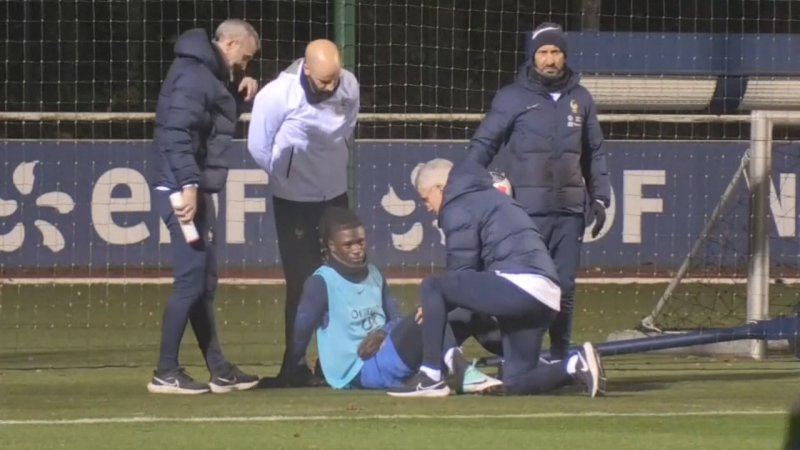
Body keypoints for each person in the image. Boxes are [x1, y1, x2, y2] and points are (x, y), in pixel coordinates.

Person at [387, 158, 606, 398]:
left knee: (432, 285)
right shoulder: (489, 197)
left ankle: (430, 377)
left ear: (440, 188)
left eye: (425, 198)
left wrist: (435, 303)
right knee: (515, 382)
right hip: (545, 296)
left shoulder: (458, 203)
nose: (427, 207)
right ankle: (575, 365)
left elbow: (462, 270)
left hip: (521, 284)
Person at [463, 22, 611, 362]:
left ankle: (561, 357)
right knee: (523, 285)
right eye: (543, 52)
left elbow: (595, 153)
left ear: (565, 56)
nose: (549, 59)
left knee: (565, 288)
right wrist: (467, 183)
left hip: (570, 211)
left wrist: (601, 197)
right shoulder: (512, 97)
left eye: (555, 52)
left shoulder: (581, 99)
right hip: (524, 212)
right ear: (532, 57)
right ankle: (517, 354)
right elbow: (484, 144)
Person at [147, 20, 261, 394]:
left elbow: (208, 126)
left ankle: (219, 369)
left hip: (188, 184)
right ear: (229, 44)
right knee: (191, 279)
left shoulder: (203, 74)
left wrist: (239, 99)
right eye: (244, 58)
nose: (245, 65)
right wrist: (190, 184)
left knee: (203, 282)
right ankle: (165, 371)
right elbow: (176, 132)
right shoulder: (195, 74)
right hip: (180, 188)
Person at [283, 207, 502, 395]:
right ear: (331, 246)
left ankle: (516, 359)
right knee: (430, 312)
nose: (357, 249)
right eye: (348, 245)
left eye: (360, 242)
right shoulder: (321, 282)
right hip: (358, 370)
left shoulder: (374, 273)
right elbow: (301, 331)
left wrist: (383, 332)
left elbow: (395, 317)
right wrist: (295, 368)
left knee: (464, 311)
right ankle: (459, 371)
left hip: (390, 353)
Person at [247, 39, 360, 382]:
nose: (330, 86)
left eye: (334, 78)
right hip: (293, 201)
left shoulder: (349, 85)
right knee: (301, 284)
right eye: (323, 80)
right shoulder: (276, 94)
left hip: (335, 196)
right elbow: (258, 146)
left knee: (340, 281)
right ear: (306, 69)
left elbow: (349, 126)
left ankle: (331, 365)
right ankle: (293, 366)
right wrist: (286, 176)